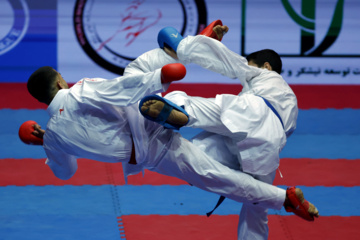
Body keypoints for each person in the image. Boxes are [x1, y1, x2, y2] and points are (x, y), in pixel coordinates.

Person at [24, 30, 318, 236]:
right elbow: (118, 91)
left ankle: (284, 198)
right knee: (142, 75)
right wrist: (160, 76)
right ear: (61, 81)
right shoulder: (80, 90)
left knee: (218, 178)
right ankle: (177, 57)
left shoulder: (54, 139)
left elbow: (65, 173)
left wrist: (43, 141)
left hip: (152, 157)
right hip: (148, 122)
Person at [137, 21, 308, 239]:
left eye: (252, 64)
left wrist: (189, 45)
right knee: (257, 205)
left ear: (265, 66)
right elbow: (279, 133)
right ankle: (279, 201)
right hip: (271, 145)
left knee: (195, 114)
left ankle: (178, 109)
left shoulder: (267, 75)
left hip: (252, 112)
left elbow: (230, 63)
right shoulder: (291, 103)